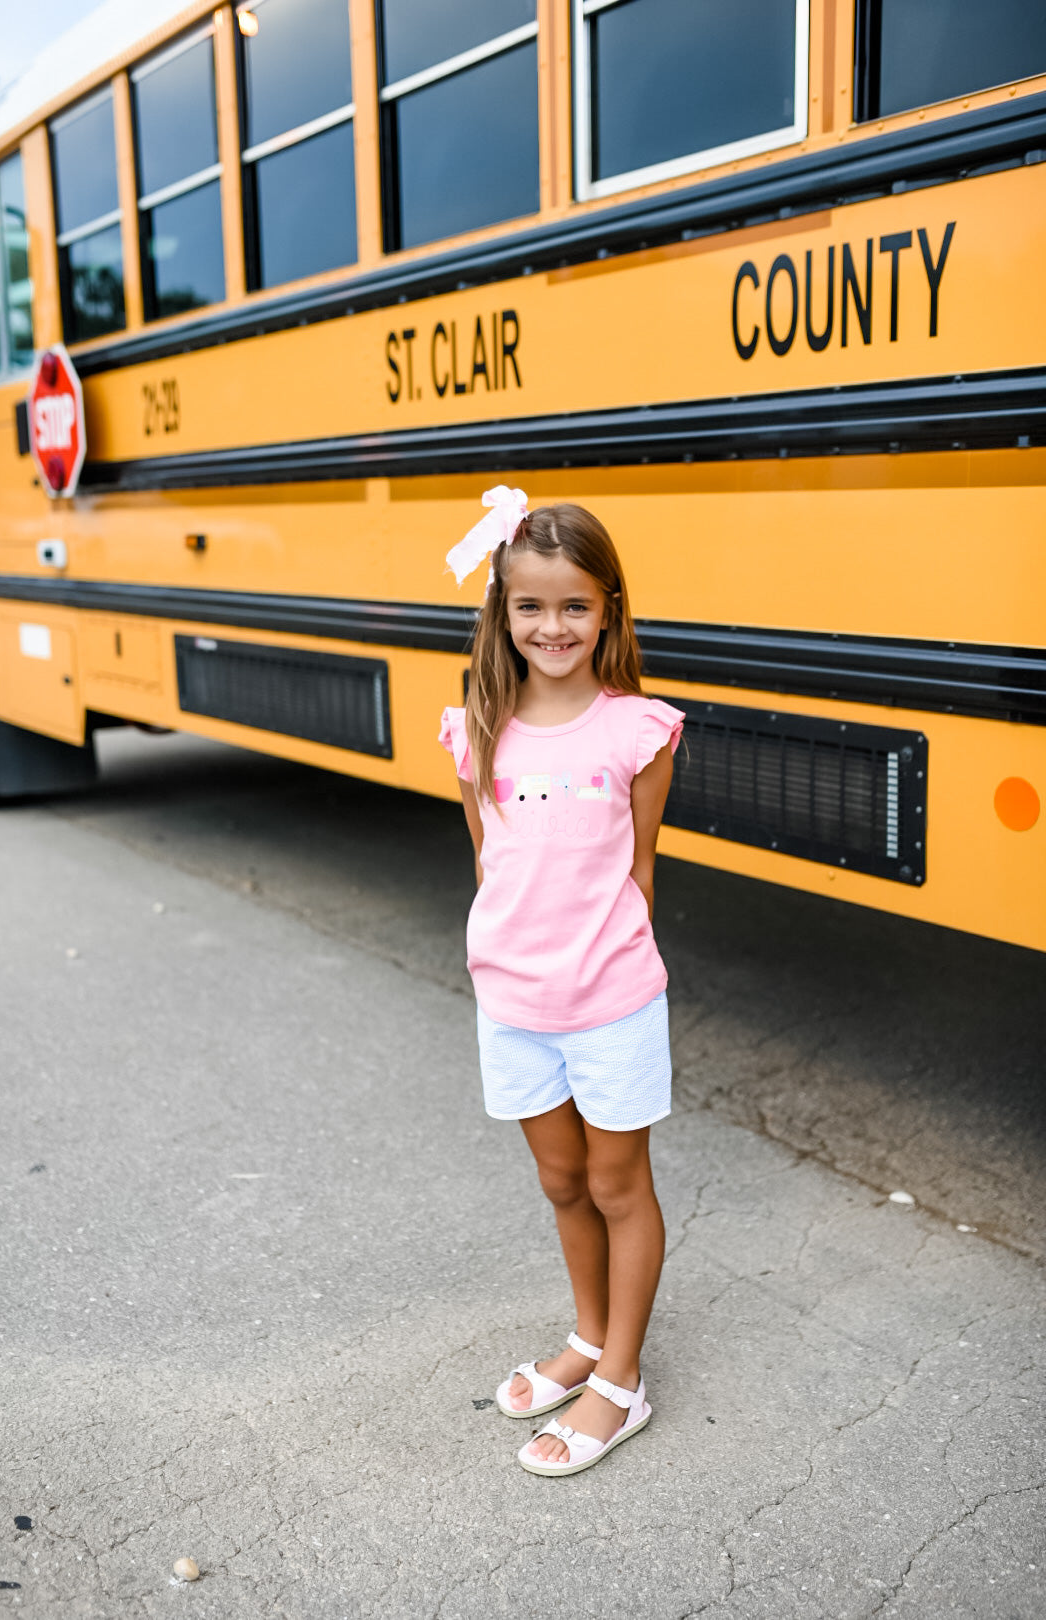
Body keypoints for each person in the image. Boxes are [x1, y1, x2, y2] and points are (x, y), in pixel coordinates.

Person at [438, 488, 684, 1477]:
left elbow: (642, 871)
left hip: (612, 1002)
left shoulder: (640, 731)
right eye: (529, 606)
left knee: (620, 1184)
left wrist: (598, 970)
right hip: (515, 1006)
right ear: (500, 611)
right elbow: (489, 865)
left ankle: (619, 1383)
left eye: (574, 605)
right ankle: (588, 1334)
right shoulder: (475, 732)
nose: (552, 626)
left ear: (609, 611)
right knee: (561, 1180)